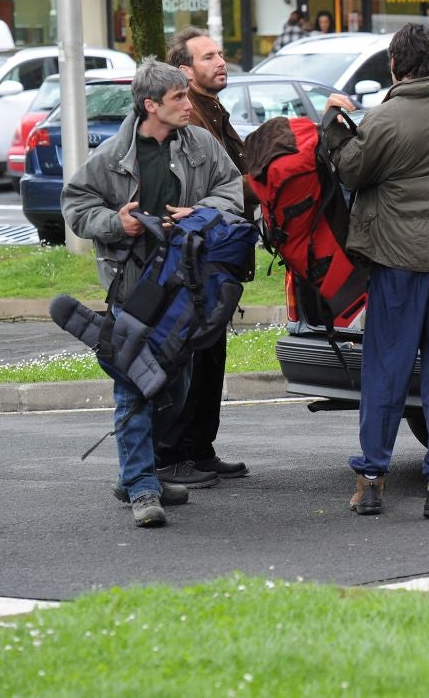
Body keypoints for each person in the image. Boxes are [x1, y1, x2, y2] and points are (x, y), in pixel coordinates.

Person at [322, 23, 429, 520]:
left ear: (395, 65)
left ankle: (371, 480)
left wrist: (336, 120)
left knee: (386, 372)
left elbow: (351, 169)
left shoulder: (386, 117)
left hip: (397, 263)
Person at [61, 58, 244, 528]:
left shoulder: (201, 144)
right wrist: (115, 223)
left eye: (186, 94)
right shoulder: (112, 156)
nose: (188, 104)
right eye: (179, 98)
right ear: (150, 105)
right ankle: (143, 487)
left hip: (187, 288)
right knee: (134, 386)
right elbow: (76, 204)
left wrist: (200, 212)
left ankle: (133, 474)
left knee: (175, 386)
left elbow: (233, 188)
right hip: (134, 289)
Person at [161, 26, 256, 487]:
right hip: (194, 259)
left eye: (221, 53)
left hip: (215, 255)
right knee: (191, 354)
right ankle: (174, 453)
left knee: (210, 353)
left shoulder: (212, 111)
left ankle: (199, 448)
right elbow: (228, 185)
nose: (221, 62)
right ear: (184, 70)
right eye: (208, 57)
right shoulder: (188, 120)